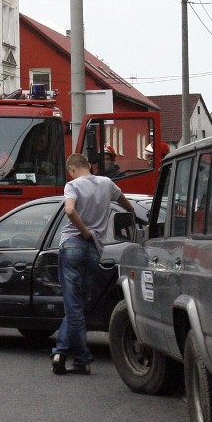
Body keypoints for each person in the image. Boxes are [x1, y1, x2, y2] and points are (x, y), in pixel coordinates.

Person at [51, 153, 136, 375]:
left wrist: (84, 231)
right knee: (79, 305)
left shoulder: (72, 186)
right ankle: (61, 351)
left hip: (72, 245)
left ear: (71, 169)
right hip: (95, 251)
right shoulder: (107, 183)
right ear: (89, 166)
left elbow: (69, 210)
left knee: (73, 305)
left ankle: (80, 359)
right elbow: (124, 202)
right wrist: (132, 212)